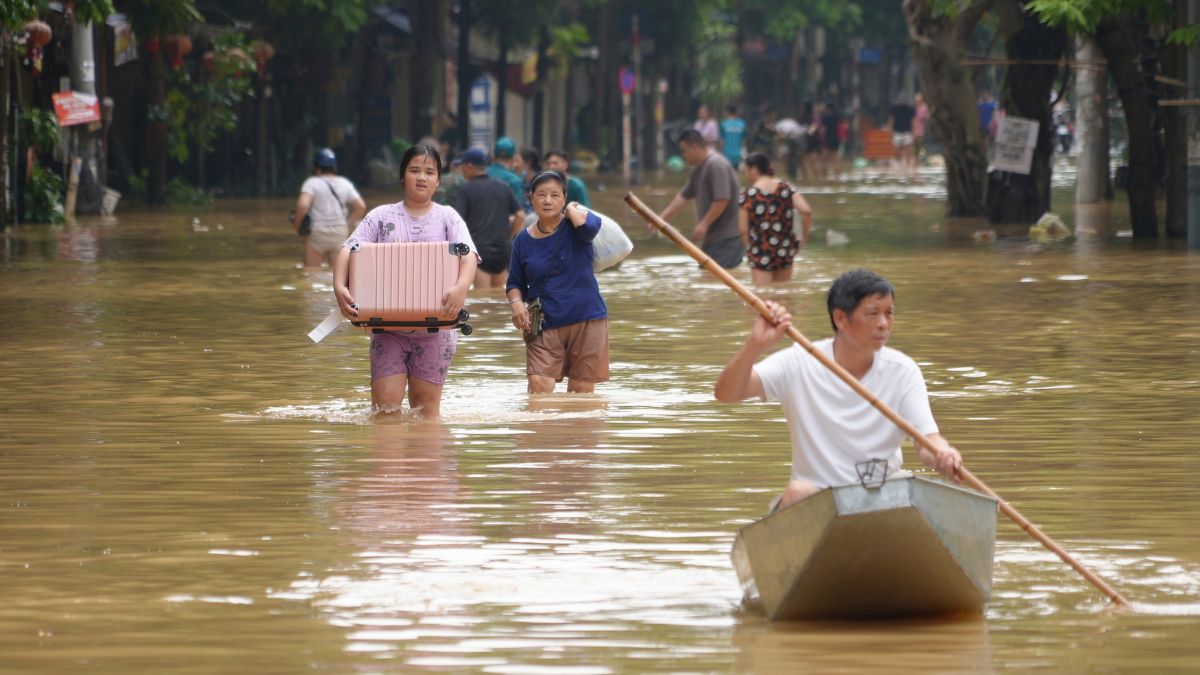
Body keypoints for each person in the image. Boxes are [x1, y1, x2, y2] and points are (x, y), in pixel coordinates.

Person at [714, 268, 963, 512]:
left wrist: (943, 454)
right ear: (840, 319)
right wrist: (755, 345)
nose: (883, 324)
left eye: (889, 313)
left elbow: (927, 441)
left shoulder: (902, 370)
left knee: (914, 492)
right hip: (818, 501)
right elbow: (726, 394)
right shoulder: (799, 362)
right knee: (800, 492)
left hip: (880, 495)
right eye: (873, 313)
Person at [332, 143, 479, 418]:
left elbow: (468, 254)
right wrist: (339, 287)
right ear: (402, 176)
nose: (421, 177)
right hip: (387, 330)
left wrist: (461, 288)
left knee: (426, 412)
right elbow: (347, 249)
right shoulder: (380, 216)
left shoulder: (448, 217)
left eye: (429, 172)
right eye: (414, 170)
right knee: (385, 410)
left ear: (438, 180)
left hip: (437, 331)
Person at [506, 170, 609, 394]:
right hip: (544, 322)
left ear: (564, 198)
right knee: (539, 387)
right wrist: (516, 304)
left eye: (555, 195)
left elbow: (591, 229)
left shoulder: (577, 225)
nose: (548, 200)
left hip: (586, 318)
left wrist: (572, 209)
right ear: (531, 198)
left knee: (581, 393)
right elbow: (514, 282)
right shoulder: (522, 240)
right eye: (541, 195)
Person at [656, 129, 744, 269]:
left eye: (684, 151)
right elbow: (684, 196)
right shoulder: (699, 169)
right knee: (706, 280)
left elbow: (722, 199)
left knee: (716, 283)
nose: (683, 156)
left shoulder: (716, 164)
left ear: (694, 147)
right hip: (712, 240)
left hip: (727, 241)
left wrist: (703, 224)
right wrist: (660, 219)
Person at [452, 147, 523, 290]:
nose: (461, 170)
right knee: (497, 298)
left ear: (470, 166)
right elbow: (520, 216)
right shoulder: (503, 186)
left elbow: (457, 220)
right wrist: (508, 237)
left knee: (482, 299)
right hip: (502, 251)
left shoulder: (466, 189)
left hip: (479, 251)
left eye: (463, 167)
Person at [738, 153, 812, 285]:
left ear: (753, 170)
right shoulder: (786, 188)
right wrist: (803, 239)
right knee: (782, 294)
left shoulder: (747, 195)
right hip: (785, 248)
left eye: (746, 171)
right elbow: (806, 211)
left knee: (763, 297)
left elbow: (743, 230)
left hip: (760, 250)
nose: (746, 175)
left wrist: (749, 251)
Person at [291, 148, 367, 270]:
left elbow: (302, 206)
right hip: (339, 234)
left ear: (316, 167)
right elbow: (361, 207)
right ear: (334, 167)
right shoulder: (345, 183)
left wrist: (296, 226)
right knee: (338, 275)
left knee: (312, 273)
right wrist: (347, 226)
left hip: (317, 234)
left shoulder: (312, 183)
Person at [487, 136, 526, 210]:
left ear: (493, 156)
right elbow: (518, 211)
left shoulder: (481, 174)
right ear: (513, 158)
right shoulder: (514, 180)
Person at [887, 95, 917, 174]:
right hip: (897, 131)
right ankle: (898, 165)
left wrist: (914, 131)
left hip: (907, 132)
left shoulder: (910, 109)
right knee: (897, 150)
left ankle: (907, 166)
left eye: (904, 100)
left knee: (909, 150)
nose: (903, 102)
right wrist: (890, 130)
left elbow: (913, 120)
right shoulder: (894, 108)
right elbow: (891, 119)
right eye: (901, 100)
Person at [720, 104, 747, 168]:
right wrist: (744, 152)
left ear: (727, 112)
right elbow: (743, 141)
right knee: (736, 175)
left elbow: (722, 141)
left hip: (726, 154)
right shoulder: (742, 124)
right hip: (738, 154)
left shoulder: (724, 124)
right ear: (737, 112)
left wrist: (721, 153)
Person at [912, 93, 930, 163]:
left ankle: (922, 159)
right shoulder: (914, 108)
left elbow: (926, 118)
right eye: (916, 100)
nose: (916, 101)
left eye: (918, 100)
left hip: (921, 130)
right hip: (914, 130)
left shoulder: (924, 108)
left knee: (921, 147)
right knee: (914, 148)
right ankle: (915, 161)